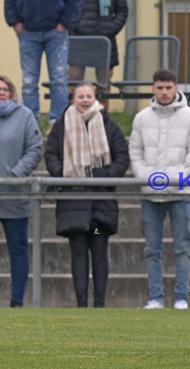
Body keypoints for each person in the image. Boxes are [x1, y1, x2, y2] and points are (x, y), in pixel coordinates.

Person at [44, 81, 129, 307]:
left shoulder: (109, 125)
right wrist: (65, 173)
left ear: (95, 98)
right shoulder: (61, 125)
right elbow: (51, 154)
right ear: (73, 99)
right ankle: (81, 303)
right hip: (73, 202)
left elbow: (121, 158)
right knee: (78, 254)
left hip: (101, 203)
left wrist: (101, 174)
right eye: (80, 96)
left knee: (100, 254)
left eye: (88, 95)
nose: (84, 100)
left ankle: (99, 303)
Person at [129, 69, 190, 310]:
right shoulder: (141, 118)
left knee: (183, 247)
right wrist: (147, 178)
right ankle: (156, 298)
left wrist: (177, 178)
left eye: (168, 87)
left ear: (176, 87)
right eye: (159, 87)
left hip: (180, 194)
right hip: (150, 195)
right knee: (152, 249)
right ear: (153, 88)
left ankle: (182, 298)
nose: (164, 92)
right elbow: (135, 152)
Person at [0, 75, 43, 307]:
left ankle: (17, 301)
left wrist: (15, 175)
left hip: (14, 194)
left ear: (11, 92)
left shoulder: (24, 115)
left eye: (4, 89)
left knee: (18, 250)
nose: (1, 92)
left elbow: (35, 148)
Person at [4, 0, 84, 124]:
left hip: (56, 32)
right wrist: (15, 21)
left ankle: (57, 124)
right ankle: (30, 124)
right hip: (28, 32)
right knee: (29, 82)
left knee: (58, 81)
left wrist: (66, 23)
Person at [69, 0, 129, 109]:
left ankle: (102, 118)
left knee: (104, 85)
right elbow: (69, 6)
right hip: (79, 41)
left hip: (105, 41)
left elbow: (122, 10)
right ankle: (71, 118)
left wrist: (112, 28)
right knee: (73, 82)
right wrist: (75, 25)